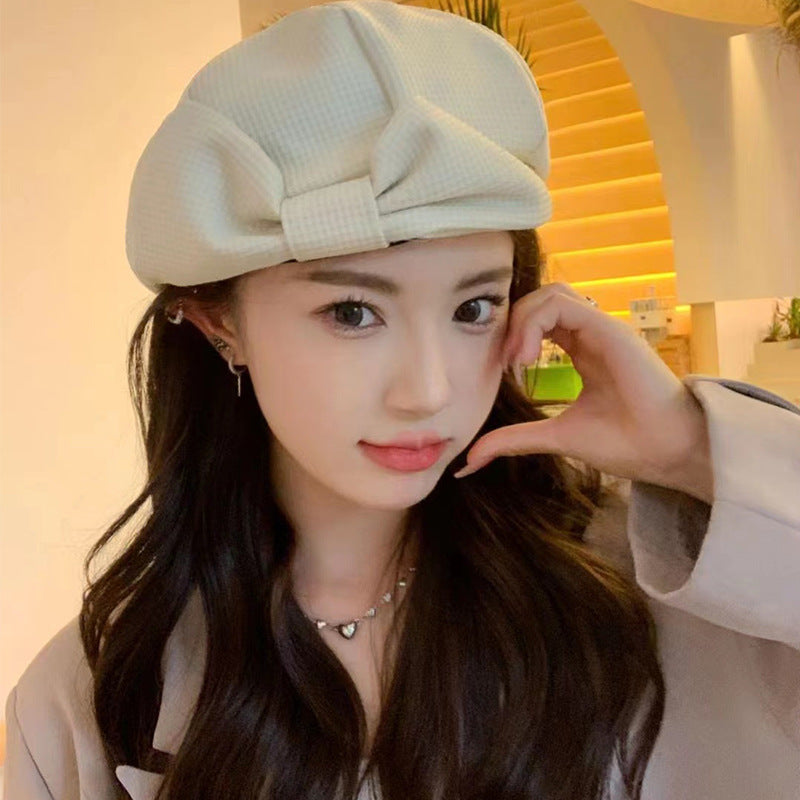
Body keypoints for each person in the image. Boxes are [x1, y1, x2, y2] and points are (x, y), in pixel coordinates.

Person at [4, 1, 800, 798]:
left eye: (473, 307)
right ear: (222, 326)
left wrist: (689, 447)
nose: (430, 391)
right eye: (354, 312)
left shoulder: (657, 589)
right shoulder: (102, 692)